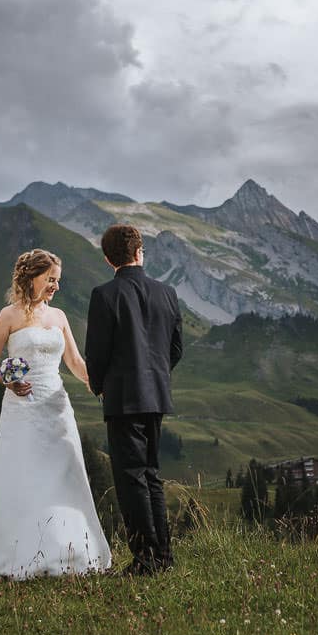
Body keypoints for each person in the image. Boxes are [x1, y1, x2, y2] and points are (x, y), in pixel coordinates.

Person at [0, 248, 112, 579]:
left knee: (64, 474)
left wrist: (99, 385)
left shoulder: (58, 317)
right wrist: (9, 382)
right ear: (32, 277)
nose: (56, 286)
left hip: (56, 405)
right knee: (23, 475)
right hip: (21, 408)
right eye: (51, 279)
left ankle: (69, 552)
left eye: (58, 280)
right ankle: (16, 552)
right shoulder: (8, 316)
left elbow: (74, 362)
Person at [86, 224, 182, 576]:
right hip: (156, 396)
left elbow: (96, 353)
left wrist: (100, 385)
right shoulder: (167, 292)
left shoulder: (104, 295)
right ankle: (163, 556)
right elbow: (175, 349)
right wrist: (155, 374)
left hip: (123, 398)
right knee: (152, 475)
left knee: (130, 481)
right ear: (140, 252)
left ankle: (145, 560)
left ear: (108, 258)